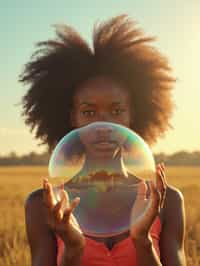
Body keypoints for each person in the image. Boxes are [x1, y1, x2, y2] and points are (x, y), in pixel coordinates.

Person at [20, 14, 186, 266]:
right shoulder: (43, 205)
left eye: (117, 111)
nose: (103, 124)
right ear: (71, 118)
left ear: (134, 115)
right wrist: (73, 250)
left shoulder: (167, 201)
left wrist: (142, 241)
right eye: (88, 112)